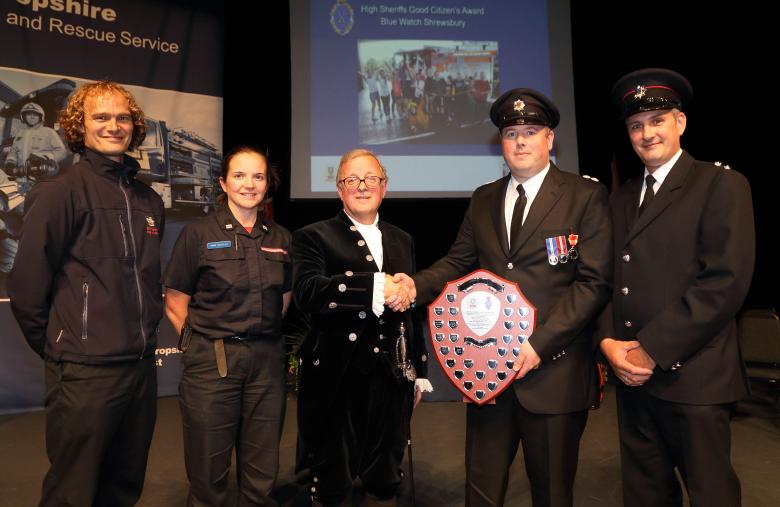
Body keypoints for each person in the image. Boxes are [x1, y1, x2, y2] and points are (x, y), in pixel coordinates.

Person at [408, 88, 613, 507]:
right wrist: (413, 285)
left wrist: (539, 345)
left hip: (554, 373)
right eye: (511, 133)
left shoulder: (584, 195)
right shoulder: (484, 198)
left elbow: (593, 283)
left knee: (552, 494)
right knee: (480, 493)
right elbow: (456, 263)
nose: (520, 141)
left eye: (531, 131)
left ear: (549, 139)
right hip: (488, 374)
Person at [598, 68, 755, 507]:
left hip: (696, 380)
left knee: (712, 495)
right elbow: (611, 280)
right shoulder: (622, 198)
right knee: (646, 496)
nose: (646, 133)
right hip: (634, 380)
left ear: (680, 123)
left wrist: (649, 348)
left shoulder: (720, 184)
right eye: (635, 125)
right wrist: (609, 343)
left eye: (657, 121)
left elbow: (724, 284)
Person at [7, 81, 163, 507]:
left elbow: (147, 280)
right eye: (101, 116)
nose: (114, 126)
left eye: (122, 117)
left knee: (124, 486)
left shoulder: (149, 200)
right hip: (83, 372)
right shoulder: (61, 193)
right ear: (79, 125)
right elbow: (26, 288)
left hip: (140, 367)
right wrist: (64, 346)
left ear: (134, 126)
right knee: (73, 491)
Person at [292, 149, 431, 507]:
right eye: (351, 180)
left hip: (392, 377)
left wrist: (418, 370)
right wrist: (372, 287)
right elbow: (307, 293)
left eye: (371, 178)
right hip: (336, 379)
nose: (362, 186)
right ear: (339, 190)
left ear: (384, 186)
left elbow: (411, 311)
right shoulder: (312, 236)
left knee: (385, 478)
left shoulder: (403, 238)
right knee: (332, 480)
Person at [163, 146, 291, 506]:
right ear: (223, 182)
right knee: (208, 473)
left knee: (262, 472)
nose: (249, 184)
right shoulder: (198, 233)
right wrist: (198, 344)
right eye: (239, 175)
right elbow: (175, 300)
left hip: (267, 362)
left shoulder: (280, 238)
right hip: (212, 363)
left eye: (258, 176)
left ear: (267, 185)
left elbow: (284, 298)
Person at [4, 101, 67, 179]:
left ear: (41, 117)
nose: (32, 117)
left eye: (35, 114)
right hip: (21, 178)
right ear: (23, 117)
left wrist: (45, 158)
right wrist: (10, 163)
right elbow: (13, 151)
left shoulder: (49, 132)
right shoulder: (19, 135)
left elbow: (62, 152)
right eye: (29, 114)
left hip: (42, 178)